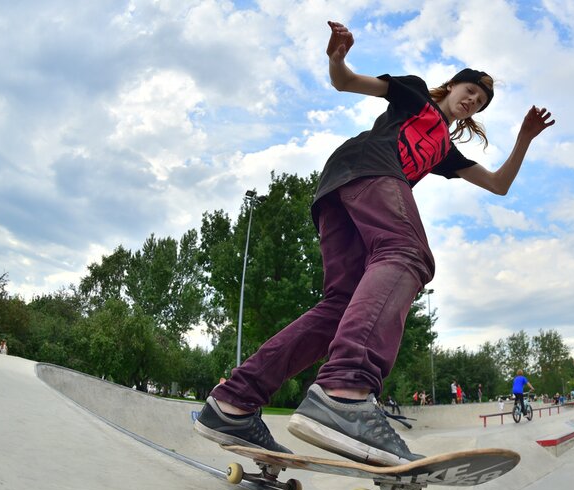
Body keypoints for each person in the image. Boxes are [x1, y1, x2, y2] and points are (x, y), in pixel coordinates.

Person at [194, 21, 555, 466]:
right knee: (406, 254)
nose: (470, 102)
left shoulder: (446, 150)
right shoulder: (414, 93)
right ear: (452, 85)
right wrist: (337, 57)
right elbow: (346, 82)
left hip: (340, 193)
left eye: (478, 103)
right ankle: (345, 392)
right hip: (366, 170)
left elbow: (498, 184)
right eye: (468, 91)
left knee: (340, 306)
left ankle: (233, 402)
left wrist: (523, 140)